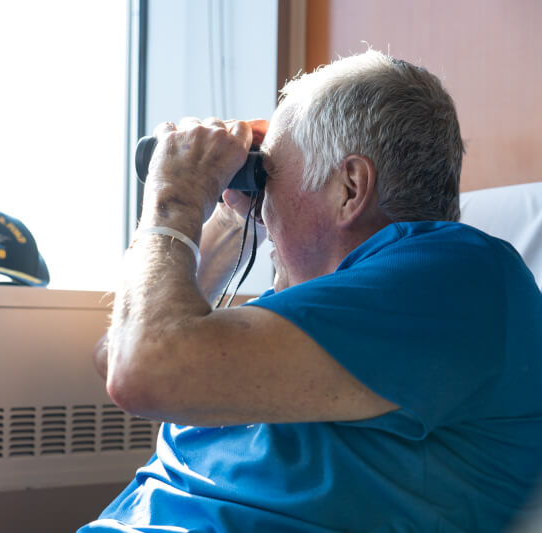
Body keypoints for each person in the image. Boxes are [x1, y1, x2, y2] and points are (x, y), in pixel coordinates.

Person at [79, 50, 542, 532]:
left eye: (269, 176)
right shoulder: (315, 307)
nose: (262, 205)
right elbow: (117, 352)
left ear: (349, 188)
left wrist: (175, 196)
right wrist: (229, 214)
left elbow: (140, 371)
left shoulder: (457, 279)